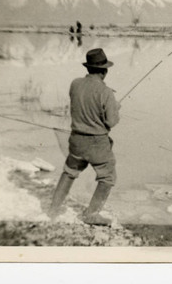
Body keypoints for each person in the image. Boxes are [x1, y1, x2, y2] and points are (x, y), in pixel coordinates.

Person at [49, 48, 121, 226]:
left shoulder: (75, 84)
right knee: (107, 177)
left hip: (76, 140)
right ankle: (91, 214)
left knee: (69, 172)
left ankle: (53, 210)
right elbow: (111, 122)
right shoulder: (106, 92)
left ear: (88, 68)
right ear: (104, 71)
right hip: (97, 143)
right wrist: (115, 108)